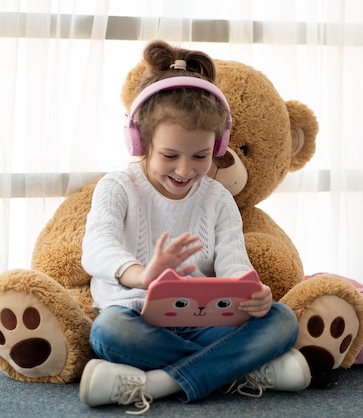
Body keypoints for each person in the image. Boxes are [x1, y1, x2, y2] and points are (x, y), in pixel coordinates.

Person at [79, 40, 311, 415]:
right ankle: (240, 369)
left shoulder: (218, 199)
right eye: (170, 156)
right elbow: (96, 248)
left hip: (205, 322)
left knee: (281, 320)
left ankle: (159, 383)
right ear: (140, 141)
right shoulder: (117, 187)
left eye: (201, 156)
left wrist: (252, 293)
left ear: (217, 146)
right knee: (107, 333)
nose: (185, 171)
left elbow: (234, 262)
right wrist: (143, 275)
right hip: (135, 318)